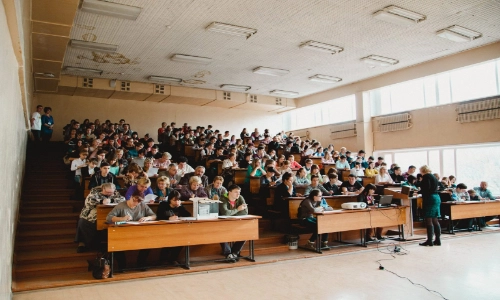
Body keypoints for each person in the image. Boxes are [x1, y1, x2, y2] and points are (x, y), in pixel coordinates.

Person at [106, 192, 156, 271]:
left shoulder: (142, 205)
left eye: (139, 202)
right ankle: (122, 266)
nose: (136, 203)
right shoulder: (121, 206)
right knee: (117, 244)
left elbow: (154, 216)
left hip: (139, 231)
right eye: (134, 200)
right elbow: (109, 218)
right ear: (131, 197)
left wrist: (147, 218)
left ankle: (141, 264)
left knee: (148, 242)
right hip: (123, 232)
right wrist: (122, 218)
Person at [75, 183, 125, 253]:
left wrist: (111, 200)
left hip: (107, 214)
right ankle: (83, 244)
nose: (109, 194)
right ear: (103, 189)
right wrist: (101, 201)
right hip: (92, 214)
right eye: (107, 192)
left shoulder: (116, 193)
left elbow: (123, 200)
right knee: (83, 223)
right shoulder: (94, 192)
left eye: (111, 192)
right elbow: (89, 201)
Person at [156, 190, 191, 265]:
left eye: (178, 200)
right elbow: (158, 216)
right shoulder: (163, 205)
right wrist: (168, 218)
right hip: (164, 229)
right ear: (170, 200)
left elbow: (188, 215)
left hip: (177, 229)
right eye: (174, 200)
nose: (176, 202)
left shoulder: (180, 207)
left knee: (182, 240)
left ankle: (173, 258)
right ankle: (163, 259)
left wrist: (181, 207)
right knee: (168, 240)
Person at [219, 185, 248, 262]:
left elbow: (245, 212)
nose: (238, 194)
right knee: (220, 233)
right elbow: (225, 213)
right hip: (223, 223)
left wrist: (231, 213)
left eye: (239, 192)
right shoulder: (223, 198)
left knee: (246, 233)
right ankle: (228, 253)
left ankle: (234, 253)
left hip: (236, 222)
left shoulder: (240, 198)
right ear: (229, 192)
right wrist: (238, 209)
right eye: (236, 192)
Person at [418, 165, 441, 247]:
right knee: (435, 219)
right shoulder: (434, 177)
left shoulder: (426, 177)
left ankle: (429, 240)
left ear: (422, 170)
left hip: (430, 198)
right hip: (436, 197)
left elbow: (426, 188)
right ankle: (437, 240)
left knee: (428, 219)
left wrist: (418, 192)